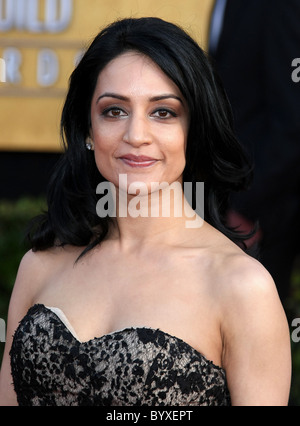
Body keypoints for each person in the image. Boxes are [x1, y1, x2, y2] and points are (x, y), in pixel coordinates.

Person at [0, 17, 291, 406]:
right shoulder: (39, 265)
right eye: (114, 111)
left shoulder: (241, 286)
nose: (136, 135)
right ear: (88, 128)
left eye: (163, 112)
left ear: (195, 128)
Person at [208, 0, 300, 304]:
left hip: (259, 215)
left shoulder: (276, 7)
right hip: (221, 205)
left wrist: (248, 209)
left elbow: (292, 123)